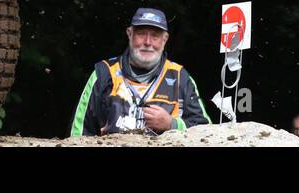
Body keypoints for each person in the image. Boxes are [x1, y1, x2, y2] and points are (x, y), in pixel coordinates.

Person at [70, 8, 211, 136]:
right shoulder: (103, 73)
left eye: (155, 36)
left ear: (164, 39)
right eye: (141, 34)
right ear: (130, 34)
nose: (148, 42)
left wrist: (172, 124)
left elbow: (206, 131)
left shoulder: (180, 76)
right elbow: (78, 132)